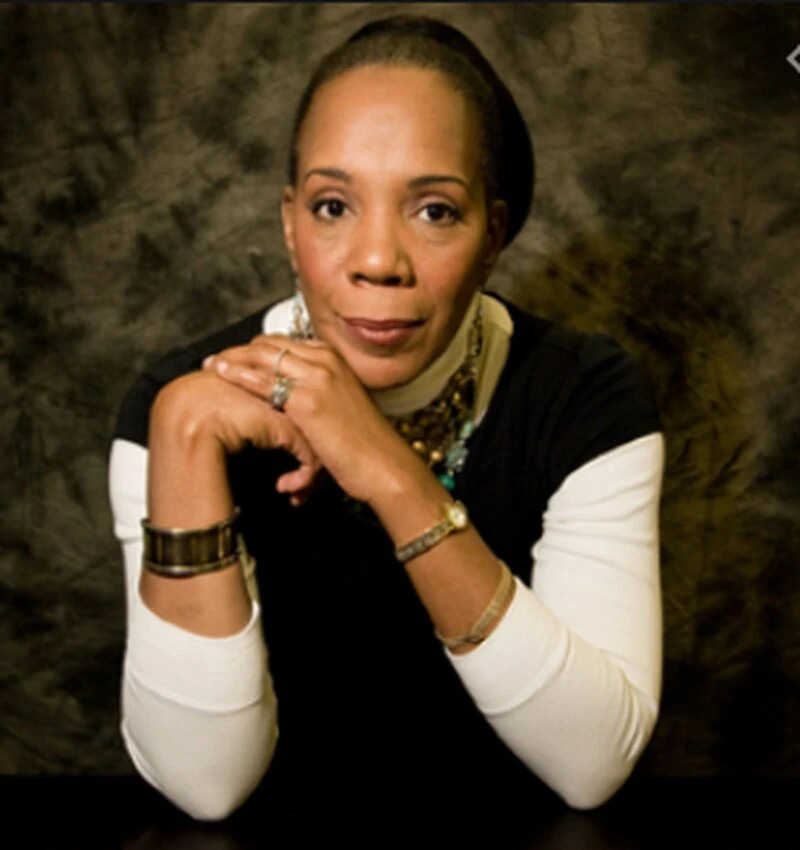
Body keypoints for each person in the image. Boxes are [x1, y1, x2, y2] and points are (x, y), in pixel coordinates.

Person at [109, 14, 664, 832]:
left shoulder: (585, 397)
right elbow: (204, 786)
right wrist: (183, 442)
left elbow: (592, 766)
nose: (377, 260)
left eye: (434, 211)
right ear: (290, 224)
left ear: (493, 236)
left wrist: (386, 468)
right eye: (333, 206)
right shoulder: (180, 404)